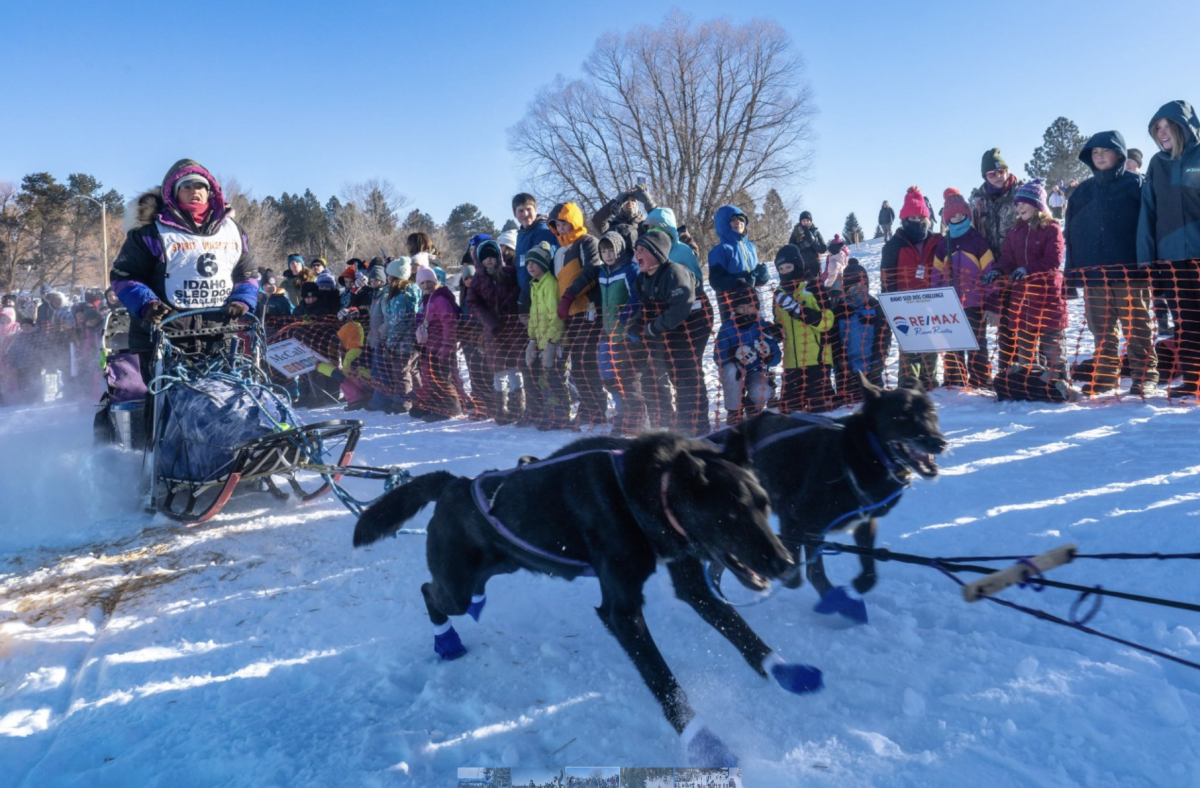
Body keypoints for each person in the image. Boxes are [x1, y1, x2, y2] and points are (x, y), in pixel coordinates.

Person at [108, 159, 257, 382]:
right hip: (163, 335)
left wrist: (242, 300)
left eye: (200, 186)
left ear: (210, 192)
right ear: (173, 193)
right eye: (186, 186)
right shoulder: (151, 233)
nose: (193, 191)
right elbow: (124, 276)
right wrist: (147, 304)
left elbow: (247, 274)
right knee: (164, 406)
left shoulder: (233, 230)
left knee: (225, 398)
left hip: (219, 332)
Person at [1064, 130, 1157, 396]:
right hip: (1094, 274)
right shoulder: (1082, 191)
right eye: (1095, 152)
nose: (1100, 156)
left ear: (1119, 154)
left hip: (1131, 271)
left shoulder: (1136, 184)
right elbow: (1070, 234)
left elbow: (1150, 225)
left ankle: (1144, 376)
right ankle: (1105, 375)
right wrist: (1071, 275)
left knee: (1137, 325)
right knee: (1101, 328)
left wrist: (1150, 265)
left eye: (1105, 151)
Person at [1138, 100, 1200, 398]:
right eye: (1157, 128)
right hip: (1172, 259)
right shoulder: (1156, 164)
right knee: (1185, 322)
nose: (1162, 133)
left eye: (1167, 126)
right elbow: (1148, 213)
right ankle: (1193, 379)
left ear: (1184, 127)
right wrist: (1146, 260)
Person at [560, 230, 646, 434]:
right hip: (607, 332)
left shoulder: (629, 269)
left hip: (625, 333)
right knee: (607, 374)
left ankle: (635, 419)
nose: (607, 254)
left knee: (627, 378)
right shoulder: (603, 272)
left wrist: (624, 318)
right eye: (603, 250)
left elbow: (637, 296)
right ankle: (622, 412)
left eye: (611, 250)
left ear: (619, 249)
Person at [981, 178, 1068, 377]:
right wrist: (998, 270)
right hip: (1023, 298)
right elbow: (1008, 257)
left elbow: (1053, 260)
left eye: (1022, 202)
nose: (1018, 207)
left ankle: (1059, 380)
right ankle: (1031, 382)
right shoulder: (1015, 231)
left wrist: (1028, 269)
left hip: (1046, 296)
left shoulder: (1051, 229)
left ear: (1036, 204)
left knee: (1052, 342)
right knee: (1025, 343)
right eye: (1017, 203)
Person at [628, 230, 711, 435]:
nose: (637, 254)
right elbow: (647, 307)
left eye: (643, 250)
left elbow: (682, 305)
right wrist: (636, 324)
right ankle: (684, 419)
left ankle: (695, 423)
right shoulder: (642, 279)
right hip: (671, 323)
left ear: (657, 253)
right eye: (636, 250)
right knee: (673, 368)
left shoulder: (674, 272)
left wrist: (654, 327)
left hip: (695, 320)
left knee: (686, 368)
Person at [932, 187, 995, 388]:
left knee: (977, 342)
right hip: (950, 304)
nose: (958, 218)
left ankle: (980, 379)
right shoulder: (943, 245)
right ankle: (954, 379)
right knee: (952, 343)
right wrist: (936, 300)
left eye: (962, 214)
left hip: (974, 302)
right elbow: (936, 275)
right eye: (954, 215)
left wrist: (992, 300)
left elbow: (989, 271)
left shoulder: (977, 241)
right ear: (947, 219)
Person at [549, 202, 605, 427]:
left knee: (586, 362)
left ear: (574, 221)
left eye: (564, 223)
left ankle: (597, 408)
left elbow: (592, 270)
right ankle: (588, 407)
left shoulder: (587, 242)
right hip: (570, 313)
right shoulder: (560, 251)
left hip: (588, 309)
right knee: (577, 365)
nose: (561, 229)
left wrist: (570, 296)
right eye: (557, 225)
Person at [881, 186, 943, 388]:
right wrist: (891, 304)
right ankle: (908, 384)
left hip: (933, 303)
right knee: (909, 345)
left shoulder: (937, 241)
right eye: (912, 219)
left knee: (931, 343)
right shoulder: (894, 245)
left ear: (926, 218)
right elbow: (886, 277)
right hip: (905, 304)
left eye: (920, 218)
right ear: (904, 220)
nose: (917, 222)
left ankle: (929, 380)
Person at [772, 243, 835, 411]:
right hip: (792, 362)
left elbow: (827, 321)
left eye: (788, 266)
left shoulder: (813, 287)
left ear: (797, 265)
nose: (785, 271)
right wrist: (775, 331)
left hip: (817, 359)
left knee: (819, 410)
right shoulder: (779, 295)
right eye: (781, 268)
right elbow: (780, 323)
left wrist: (799, 311)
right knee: (789, 412)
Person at [468, 240, 524, 424]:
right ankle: (501, 409)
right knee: (498, 371)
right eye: (485, 258)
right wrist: (488, 321)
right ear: (480, 261)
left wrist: (510, 302)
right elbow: (473, 304)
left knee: (515, 368)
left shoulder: (509, 273)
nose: (489, 261)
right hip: (492, 331)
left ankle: (519, 407)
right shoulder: (477, 280)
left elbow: (519, 287)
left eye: (492, 257)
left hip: (513, 329)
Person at [714, 287, 780, 425]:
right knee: (731, 370)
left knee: (763, 392)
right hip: (736, 373)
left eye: (750, 306)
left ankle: (751, 402)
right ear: (735, 308)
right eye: (741, 307)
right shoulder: (727, 328)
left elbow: (776, 358)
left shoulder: (762, 326)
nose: (745, 311)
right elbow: (718, 357)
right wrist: (733, 354)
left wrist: (769, 355)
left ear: (756, 307)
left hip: (756, 371)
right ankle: (734, 410)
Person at [409, 266, 466, 421]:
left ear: (435, 281)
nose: (426, 285)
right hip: (429, 346)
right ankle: (433, 405)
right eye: (422, 283)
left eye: (429, 281)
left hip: (441, 347)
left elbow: (449, 322)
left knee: (441, 378)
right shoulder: (426, 299)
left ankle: (449, 408)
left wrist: (447, 345)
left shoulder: (440, 298)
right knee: (430, 377)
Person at [524, 241, 570, 430]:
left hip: (555, 342)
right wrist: (532, 340)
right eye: (528, 263)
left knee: (556, 378)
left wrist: (552, 341)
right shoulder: (535, 286)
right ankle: (550, 413)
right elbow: (534, 317)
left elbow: (556, 315)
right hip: (542, 342)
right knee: (544, 379)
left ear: (543, 264)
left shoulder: (550, 284)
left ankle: (561, 415)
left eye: (534, 262)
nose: (530, 266)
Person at [832, 260, 891, 403]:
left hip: (872, 367)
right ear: (846, 287)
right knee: (848, 403)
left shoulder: (875, 306)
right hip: (846, 369)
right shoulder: (839, 309)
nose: (858, 289)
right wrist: (840, 361)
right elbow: (833, 339)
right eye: (854, 286)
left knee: (876, 402)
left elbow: (884, 336)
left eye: (862, 285)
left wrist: (879, 360)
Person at [368, 256, 421, 413]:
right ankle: (420, 398)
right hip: (413, 342)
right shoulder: (413, 291)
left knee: (401, 373)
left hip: (402, 344)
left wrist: (390, 345)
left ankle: (403, 403)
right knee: (413, 371)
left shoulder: (399, 297)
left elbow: (397, 323)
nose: (388, 279)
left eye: (390, 276)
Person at [708, 204, 768, 320]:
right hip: (732, 303)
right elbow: (716, 281)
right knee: (737, 334)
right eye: (733, 220)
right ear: (724, 224)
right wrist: (741, 282)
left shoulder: (751, 246)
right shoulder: (720, 250)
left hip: (753, 300)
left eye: (741, 219)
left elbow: (756, 279)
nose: (738, 222)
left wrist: (762, 275)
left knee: (758, 332)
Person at [970, 148, 1025, 261]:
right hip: (991, 265)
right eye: (991, 174)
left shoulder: (1023, 193)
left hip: (1020, 262)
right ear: (985, 177)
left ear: (1007, 171)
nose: (998, 176)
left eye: (1001, 171)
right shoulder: (979, 201)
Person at [787, 211, 827, 290]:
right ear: (800, 221)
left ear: (811, 221)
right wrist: (803, 245)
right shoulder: (795, 233)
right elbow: (791, 249)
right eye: (803, 220)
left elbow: (823, 248)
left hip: (815, 264)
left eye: (808, 220)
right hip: (802, 265)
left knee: (818, 288)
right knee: (803, 290)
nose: (806, 222)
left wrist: (813, 243)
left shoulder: (816, 232)